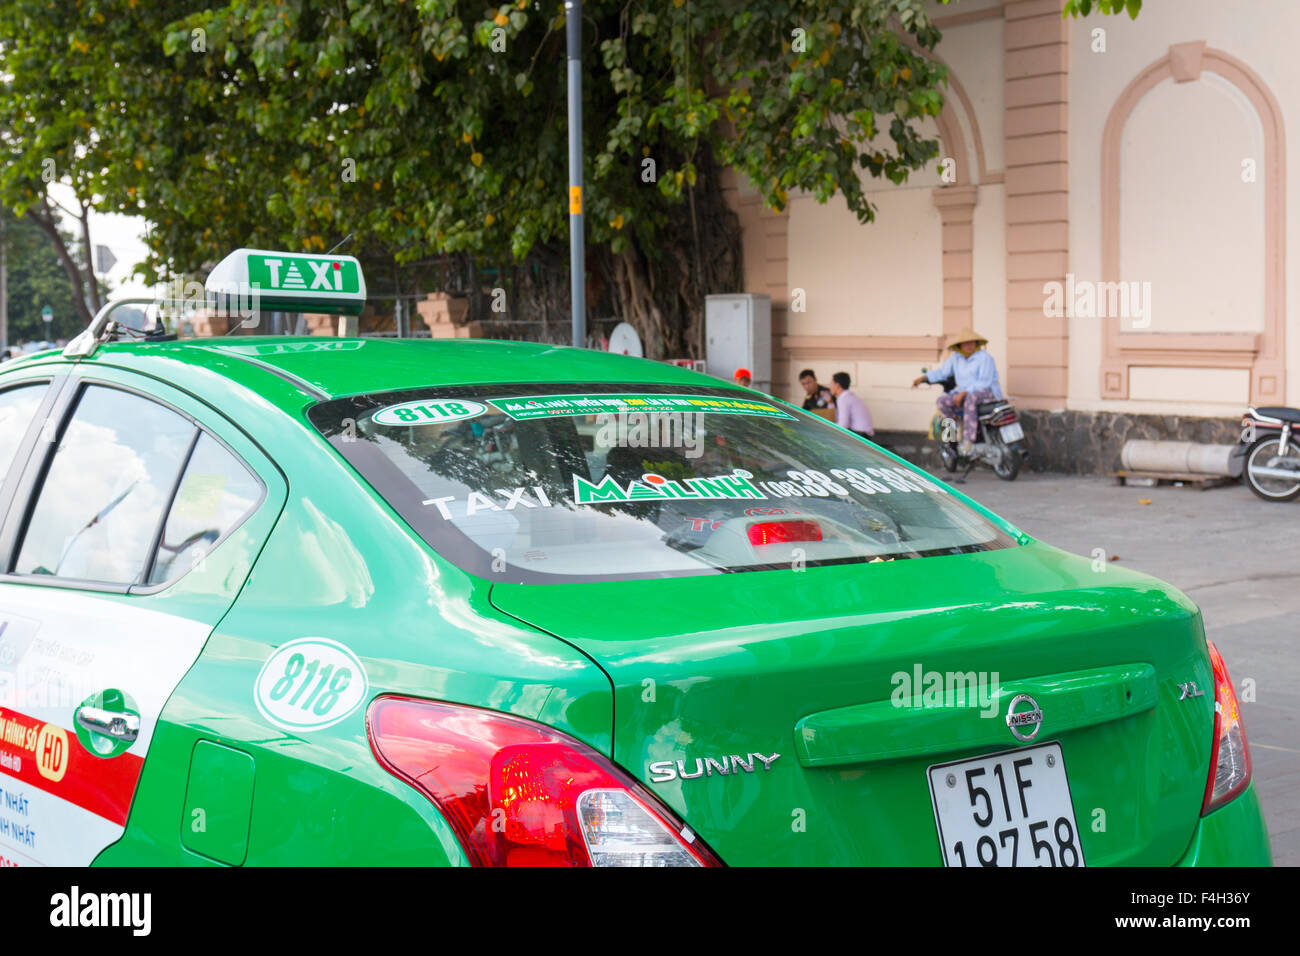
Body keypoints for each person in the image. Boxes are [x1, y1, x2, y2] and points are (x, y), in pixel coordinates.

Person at [911, 327, 1002, 455]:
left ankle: (969, 440)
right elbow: (943, 372)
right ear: (960, 346)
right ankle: (950, 437)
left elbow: (984, 381)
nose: (969, 346)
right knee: (942, 401)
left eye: (972, 342)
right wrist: (924, 377)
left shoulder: (984, 358)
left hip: (986, 391)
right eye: (966, 343)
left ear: (976, 343)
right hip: (962, 392)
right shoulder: (956, 358)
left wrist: (964, 393)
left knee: (970, 400)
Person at [829, 372, 873, 438]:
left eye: (831, 384)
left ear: (837, 385)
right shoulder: (849, 397)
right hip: (864, 434)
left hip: (861, 435)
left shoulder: (843, 399)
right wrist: (830, 403)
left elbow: (843, 425)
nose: (830, 387)